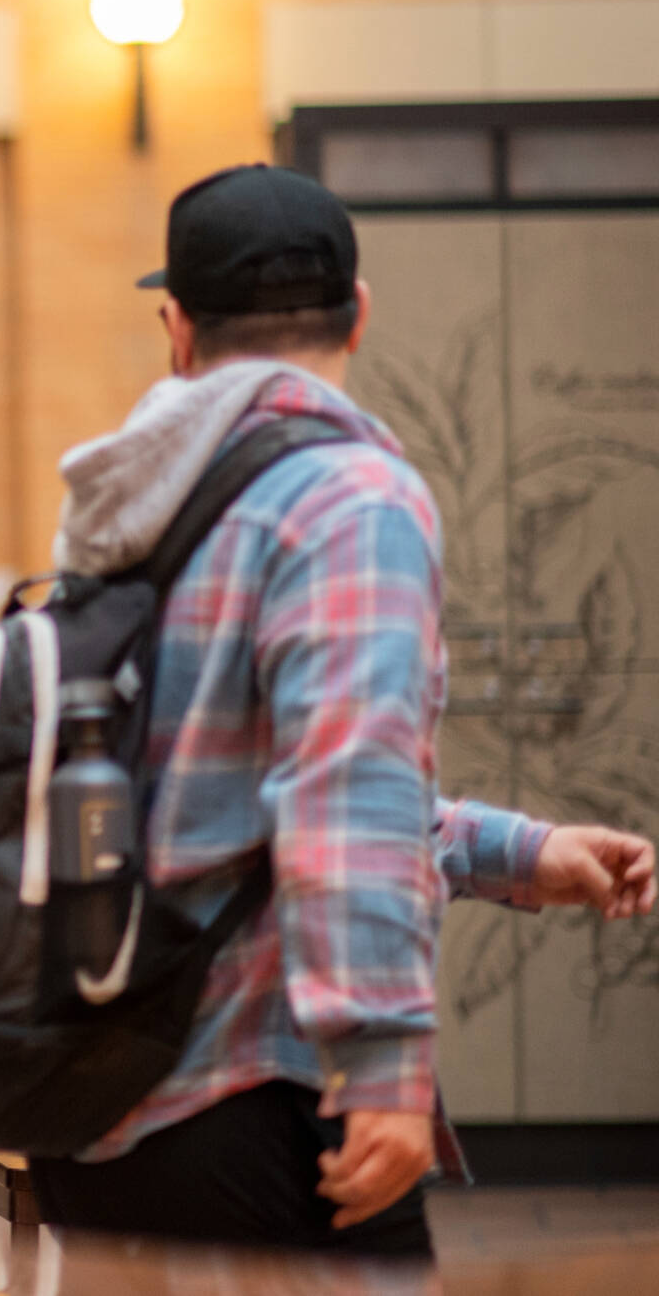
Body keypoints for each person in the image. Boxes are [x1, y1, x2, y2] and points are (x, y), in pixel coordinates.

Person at [33, 165, 656, 1259]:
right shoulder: (347, 498)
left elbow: (248, 793)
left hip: (95, 1088)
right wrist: (381, 1064)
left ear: (174, 330)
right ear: (357, 315)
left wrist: (521, 851)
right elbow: (342, 789)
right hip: (257, 1084)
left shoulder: (124, 510)